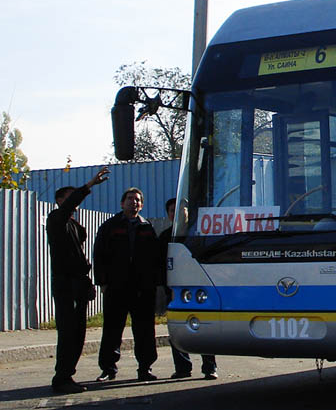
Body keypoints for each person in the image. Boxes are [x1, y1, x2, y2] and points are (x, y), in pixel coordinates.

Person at [45, 167, 109, 394]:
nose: (75, 201)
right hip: (66, 285)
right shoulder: (55, 219)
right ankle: (62, 377)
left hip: (78, 284)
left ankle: (67, 374)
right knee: (69, 333)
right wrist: (88, 185)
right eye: (69, 197)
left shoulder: (72, 225)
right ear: (61, 200)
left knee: (78, 333)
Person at [93, 187, 163, 381]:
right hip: (116, 287)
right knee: (112, 329)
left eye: (137, 200)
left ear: (141, 205)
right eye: (130, 199)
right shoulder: (110, 226)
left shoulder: (146, 227)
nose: (134, 202)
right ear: (122, 203)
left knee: (145, 330)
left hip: (142, 289)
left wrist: (154, 283)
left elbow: (155, 258)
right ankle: (108, 369)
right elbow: (99, 255)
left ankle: (145, 368)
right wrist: (103, 282)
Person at [158, 197, 218, 380]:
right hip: (174, 291)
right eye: (171, 211)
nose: (175, 214)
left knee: (204, 329)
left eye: (181, 210)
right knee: (177, 330)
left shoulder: (200, 235)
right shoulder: (164, 238)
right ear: (168, 215)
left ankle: (210, 367)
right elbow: (159, 265)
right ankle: (182, 368)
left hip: (199, 290)